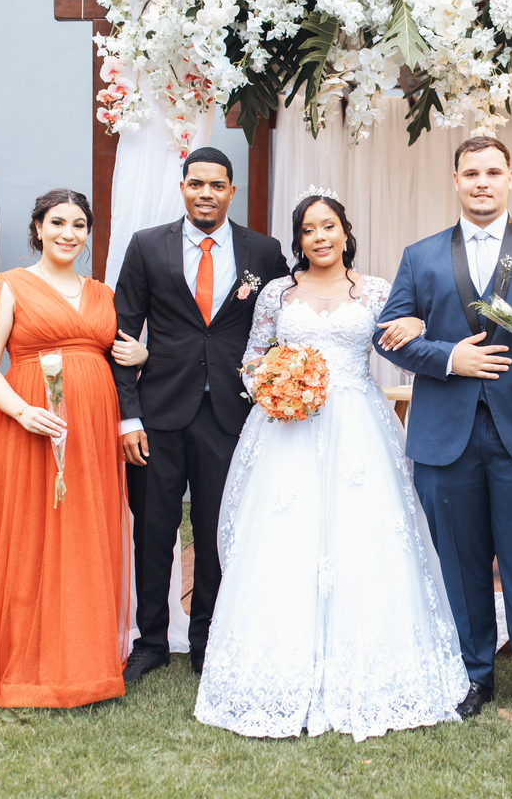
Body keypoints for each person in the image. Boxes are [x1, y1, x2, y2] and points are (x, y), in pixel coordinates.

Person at [194, 189, 468, 740]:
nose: (319, 237)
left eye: (328, 226)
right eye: (308, 230)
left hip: (358, 426)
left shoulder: (376, 291)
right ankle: (276, 670)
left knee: (365, 538)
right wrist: (274, 385)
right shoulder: (277, 293)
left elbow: (401, 348)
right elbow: (251, 359)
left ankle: (370, 669)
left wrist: (417, 328)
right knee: (282, 538)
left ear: (345, 231)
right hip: (287, 428)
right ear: (298, 240)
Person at [375, 136, 512, 738]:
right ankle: (471, 675)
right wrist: (450, 358)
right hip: (444, 438)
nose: (481, 182)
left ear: (510, 178)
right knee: (459, 562)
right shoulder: (420, 256)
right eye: (470, 172)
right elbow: (385, 335)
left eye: (492, 172)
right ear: (455, 180)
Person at [0, 188, 142, 707]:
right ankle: (22, 659)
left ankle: (82, 656)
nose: (68, 234)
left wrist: (142, 354)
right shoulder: (8, 287)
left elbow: (116, 355)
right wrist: (21, 411)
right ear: (37, 229)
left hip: (92, 430)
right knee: (30, 534)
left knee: (84, 532)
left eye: (78, 225)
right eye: (57, 223)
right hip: (31, 425)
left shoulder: (102, 294)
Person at [111, 147, 289, 681]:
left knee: (217, 530)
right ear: (183, 187)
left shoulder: (264, 251)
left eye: (216, 185)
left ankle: (207, 638)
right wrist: (128, 417)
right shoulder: (147, 246)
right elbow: (121, 335)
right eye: (196, 184)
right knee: (153, 530)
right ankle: (150, 640)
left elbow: (286, 319)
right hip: (158, 414)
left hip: (230, 414)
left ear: (231, 190)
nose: (205, 194)